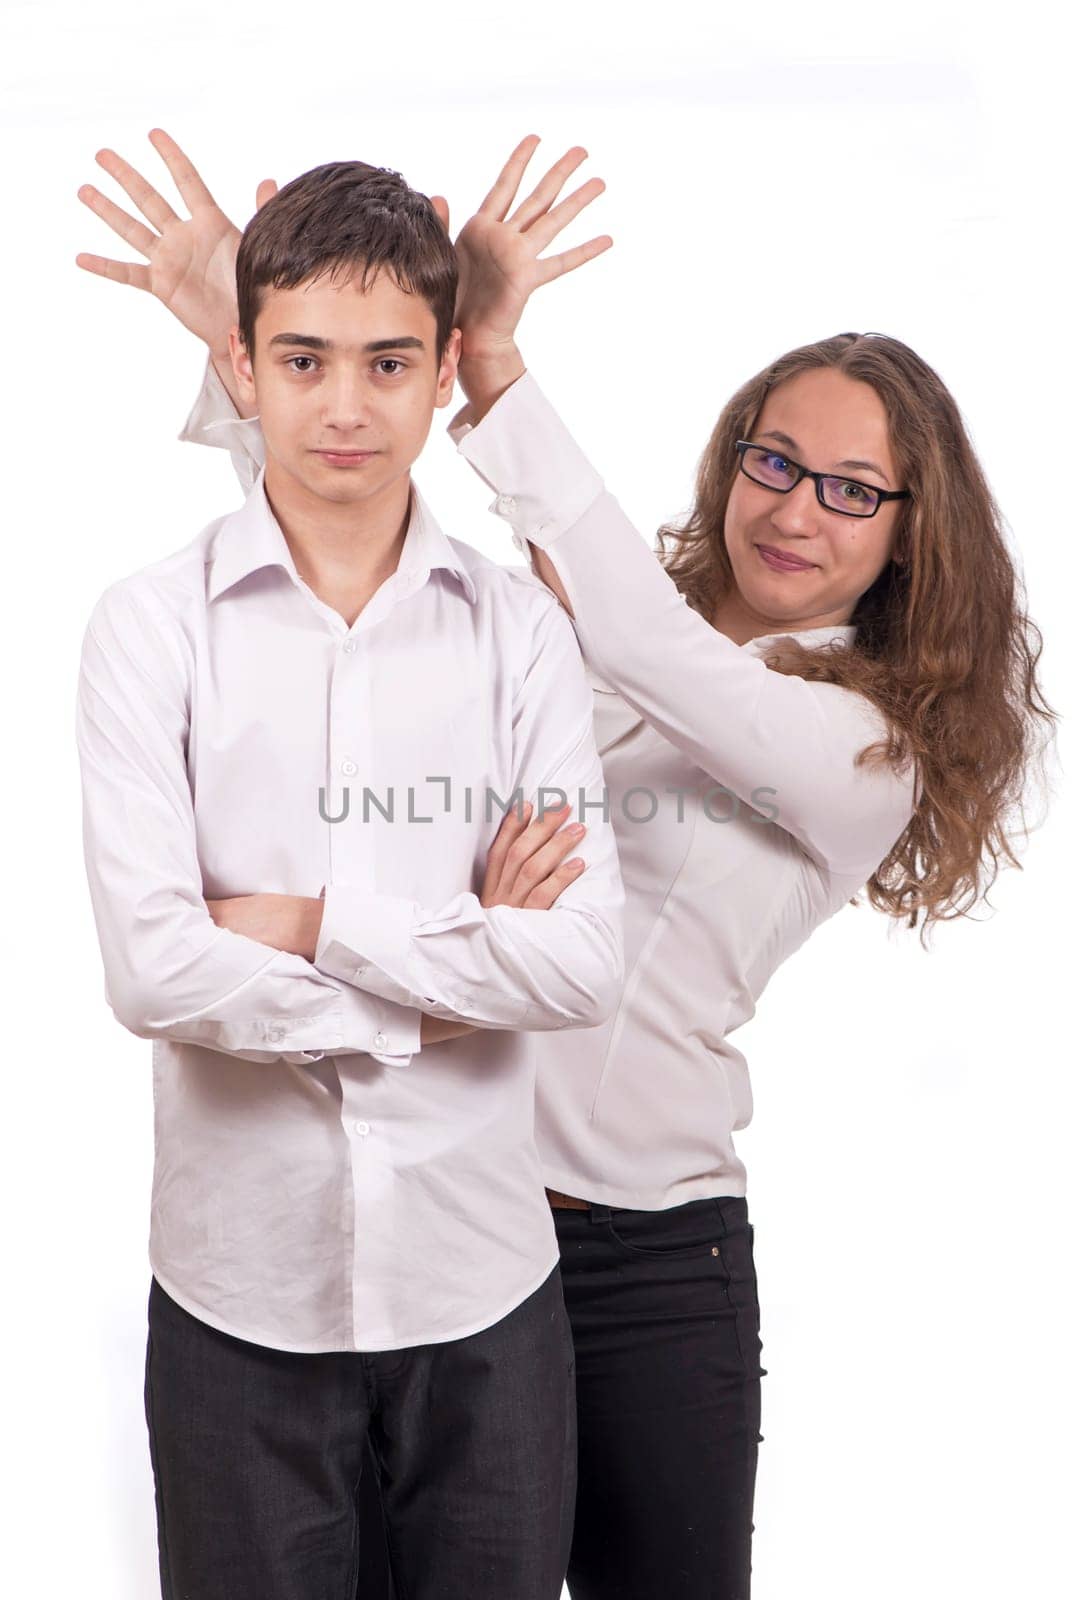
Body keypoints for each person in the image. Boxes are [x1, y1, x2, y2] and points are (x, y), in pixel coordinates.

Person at [77, 131, 1057, 1600]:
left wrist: (490, 359)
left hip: (642, 1258)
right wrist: (265, 324)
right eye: (772, 459)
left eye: (853, 490)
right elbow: (351, 557)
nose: (793, 507)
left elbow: (626, 667)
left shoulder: (857, 743)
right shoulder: (566, 626)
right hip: (444, 1214)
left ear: (919, 536)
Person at [74, 153, 627, 1600]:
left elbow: (577, 964)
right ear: (239, 369)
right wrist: (447, 984)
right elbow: (152, 968)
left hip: (483, 1292)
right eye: (301, 359)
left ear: (445, 372)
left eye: (387, 364)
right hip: (236, 1296)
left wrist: (303, 925)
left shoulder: (517, 634)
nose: (342, 406)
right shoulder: (149, 631)